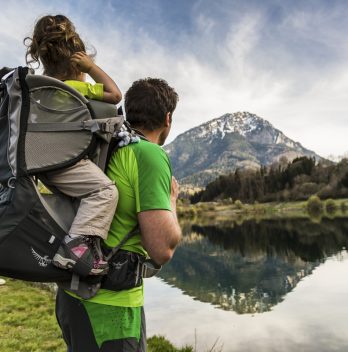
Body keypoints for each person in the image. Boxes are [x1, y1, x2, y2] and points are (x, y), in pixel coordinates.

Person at [55, 78, 182, 352]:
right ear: (167, 119)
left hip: (71, 295)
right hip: (112, 306)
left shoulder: (105, 145)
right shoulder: (148, 154)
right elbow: (162, 249)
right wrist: (172, 202)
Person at [24, 14, 122, 275]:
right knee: (105, 193)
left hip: (38, 163)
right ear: (77, 62)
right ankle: (75, 250)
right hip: (65, 163)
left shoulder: (34, 90)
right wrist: (91, 68)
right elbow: (115, 95)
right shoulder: (75, 87)